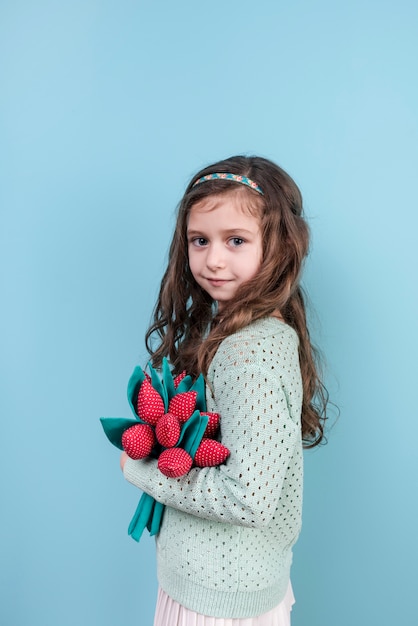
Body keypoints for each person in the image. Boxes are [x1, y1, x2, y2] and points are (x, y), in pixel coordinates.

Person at [120, 155, 327, 626]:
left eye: (236, 240)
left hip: (217, 604)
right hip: (222, 584)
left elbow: (247, 497)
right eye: (200, 240)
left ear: (277, 247)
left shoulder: (249, 354)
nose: (213, 258)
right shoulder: (251, 332)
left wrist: (141, 467)